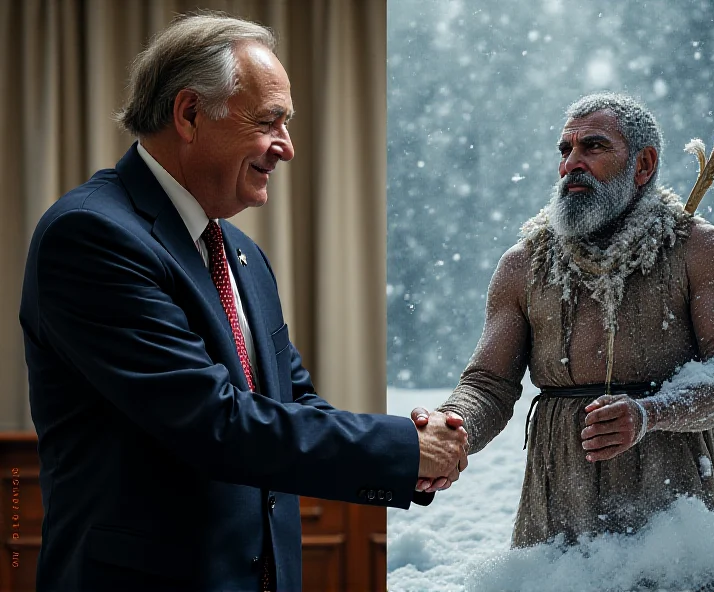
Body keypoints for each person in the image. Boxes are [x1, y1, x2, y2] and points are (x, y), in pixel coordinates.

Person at [19, 13, 466, 592]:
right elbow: (214, 422)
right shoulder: (90, 236)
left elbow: (291, 399)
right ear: (189, 114)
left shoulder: (241, 254)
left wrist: (410, 455)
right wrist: (404, 450)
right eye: (270, 121)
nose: (287, 147)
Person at [412, 93, 714, 549]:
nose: (572, 162)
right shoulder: (524, 264)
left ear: (644, 164)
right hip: (557, 507)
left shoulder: (697, 249)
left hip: (672, 510)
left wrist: (649, 414)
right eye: (565, 149)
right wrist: (451, 428)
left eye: (593, 147)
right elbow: (489, 383)